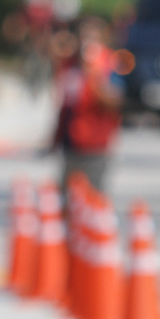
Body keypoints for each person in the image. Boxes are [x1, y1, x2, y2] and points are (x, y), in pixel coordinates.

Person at [53, 15, 124, 196]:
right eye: (83, 37)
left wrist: (93, 75)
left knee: (92, 197)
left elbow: (114, 103)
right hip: (70, 143)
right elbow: (64, 103)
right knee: (67, 197)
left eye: (92, 38)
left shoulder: (110, 63)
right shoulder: (69, 65)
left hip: (96, 145)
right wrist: (55, 137)